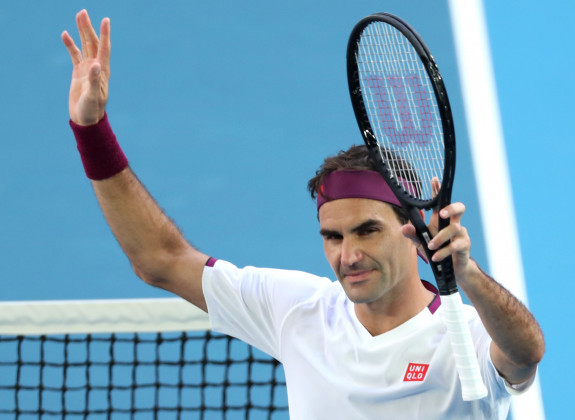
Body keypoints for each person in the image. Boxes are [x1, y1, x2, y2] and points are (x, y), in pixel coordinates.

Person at [61, 9, 544, 420]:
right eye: (332, 236)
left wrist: (469, 276)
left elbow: (525, 355)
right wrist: (91, 130)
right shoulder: (298, 311)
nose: (348, 254)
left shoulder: (466, 333)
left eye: (367, 231)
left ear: (412, 228)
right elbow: (159, 260)